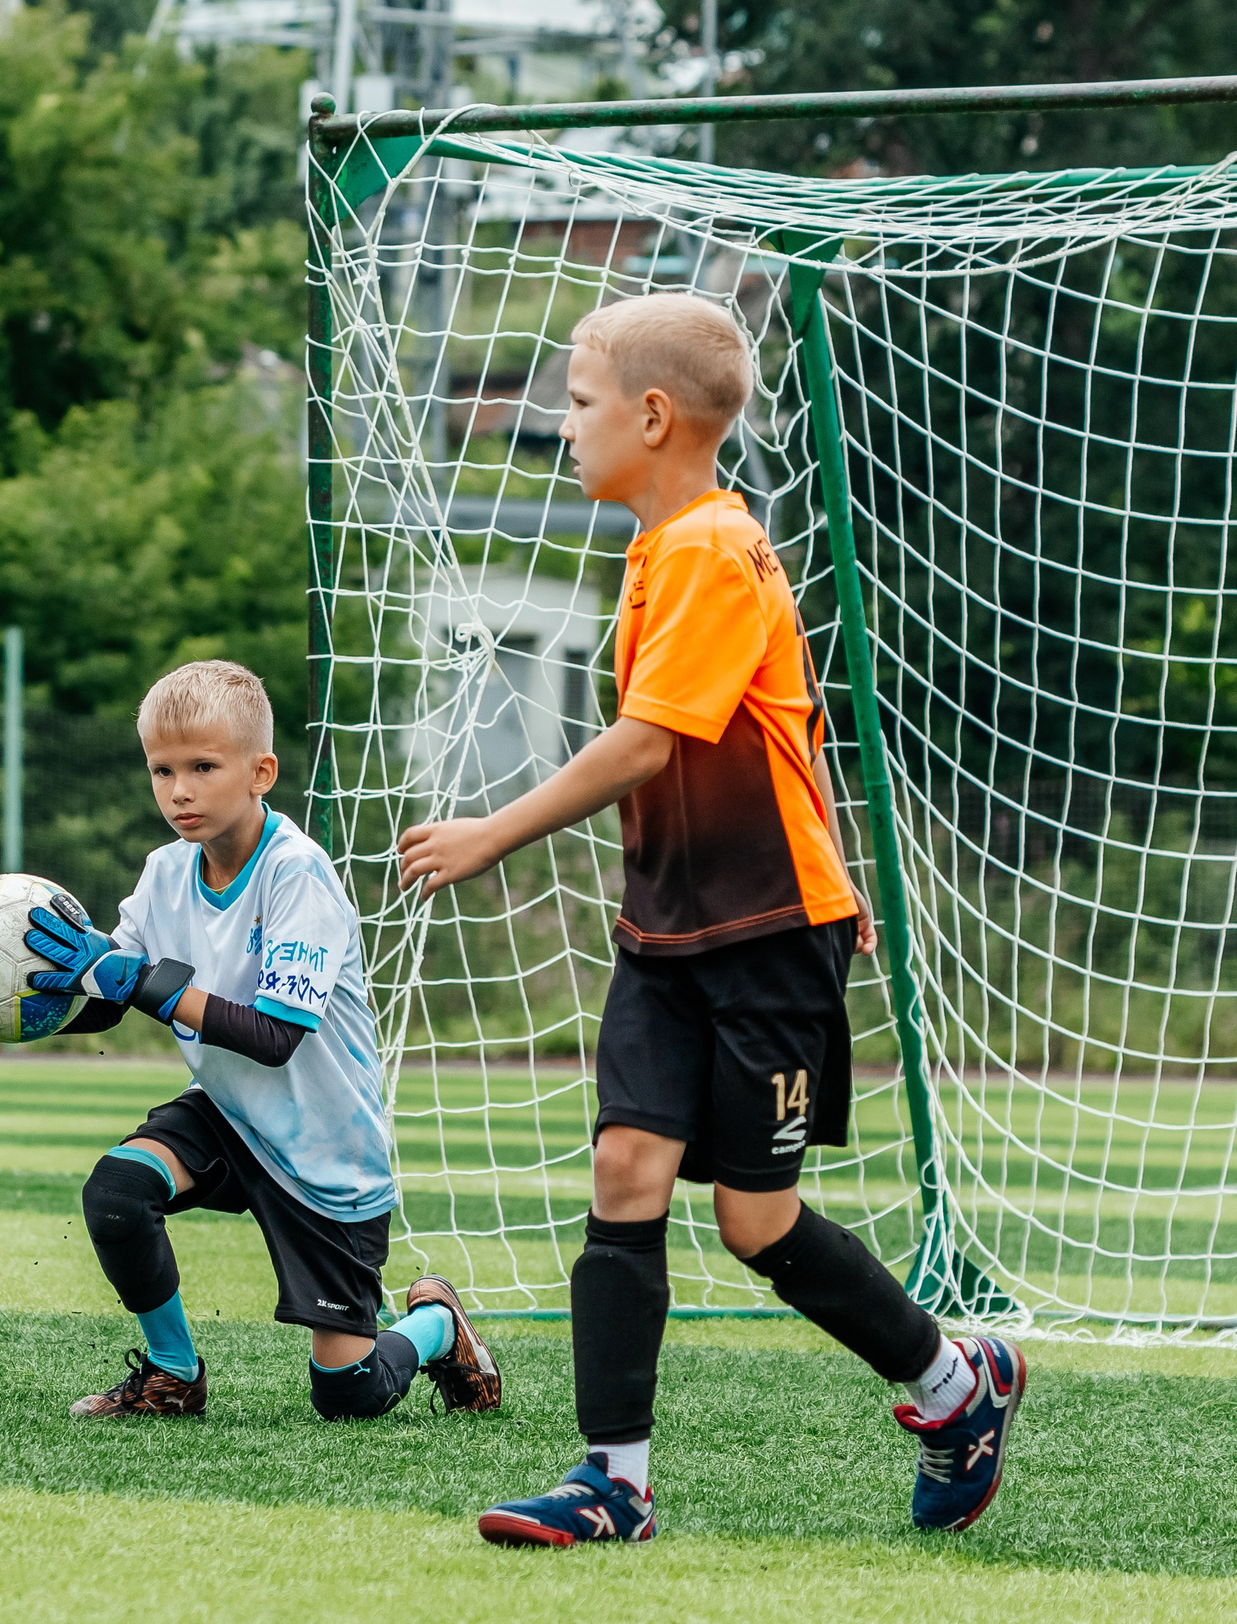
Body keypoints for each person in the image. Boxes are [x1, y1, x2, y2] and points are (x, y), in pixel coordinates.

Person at [395, 293, 1021, 1545]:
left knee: (755, 1221)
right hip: (666, 928)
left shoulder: (709, 550)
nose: (562, 424)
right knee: (624, 1168)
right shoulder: (662, 548)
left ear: (651, 416)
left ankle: (956, 1385)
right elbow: (792, 724)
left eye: (577, 402)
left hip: (765, 933)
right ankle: (612, 1481)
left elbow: (643, 744)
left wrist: (487, 832)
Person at [0, 660, 502, 1422]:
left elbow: (273, 1036)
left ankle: (436, 1324)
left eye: (202, 767)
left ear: (261, 773)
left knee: (349, 1395)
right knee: (117, 1194)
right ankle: (173, 1374)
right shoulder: (164, 873)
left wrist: (138, 979)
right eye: (162, 770)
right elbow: (109, 999)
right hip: (226, 1112)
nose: (179, 791)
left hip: (324, 1150)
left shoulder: (297, 874)